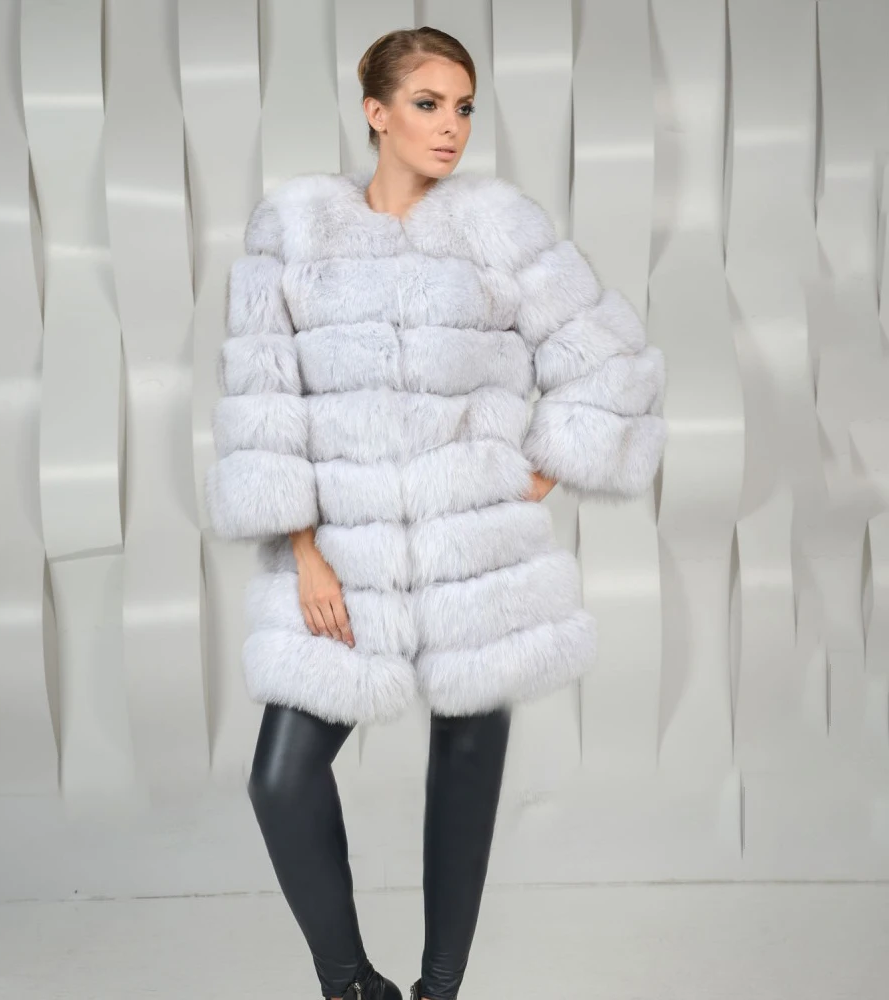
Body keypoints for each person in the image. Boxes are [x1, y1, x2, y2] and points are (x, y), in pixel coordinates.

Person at [205, 25, 667, 1000]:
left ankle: (439, 990)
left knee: (463, 774)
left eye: (462, 106)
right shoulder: (294, 230)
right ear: (375, 112)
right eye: (427, 104)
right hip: (346, 557)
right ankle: (351, 987)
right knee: (280, 779)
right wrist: (307, 553)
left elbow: (609, 359)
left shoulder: (499, 227)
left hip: (474, 560)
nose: (450, 125)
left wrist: (536, 473)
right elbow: (265, 403)